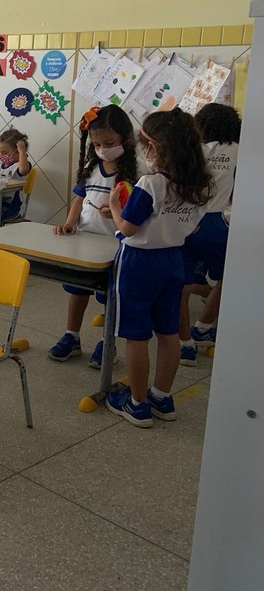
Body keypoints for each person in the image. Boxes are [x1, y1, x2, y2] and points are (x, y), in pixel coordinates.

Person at [106, 108, 212, 427]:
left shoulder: (150, 184)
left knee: (136, 334)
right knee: (168, 332)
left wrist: (114, 207)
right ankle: (161, 398)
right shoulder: (200, 184)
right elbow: (193, 228)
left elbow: (127, 229)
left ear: (154, 148)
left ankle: (137, 404)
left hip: (139, 263)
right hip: (174, 260)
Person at [50, 105, 138, 367]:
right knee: (78, 290)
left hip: (116, 245)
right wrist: (69, 223)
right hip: (86, 241)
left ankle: (106, 342)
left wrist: (118, 212)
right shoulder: (91, 167)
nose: (102, 149)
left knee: (109, 296)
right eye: (97, 144)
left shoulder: (136, 172)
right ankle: (72, 336)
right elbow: (79, 200)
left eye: (109, 143)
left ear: (126, 139)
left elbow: (139, 212)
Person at [179, 103, 241, 365]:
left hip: (185, 221)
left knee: (180, 287)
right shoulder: (238, 150)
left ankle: (184, 344)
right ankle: (203, 327)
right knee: (229, 278)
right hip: (216, 224)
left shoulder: (193, 149)